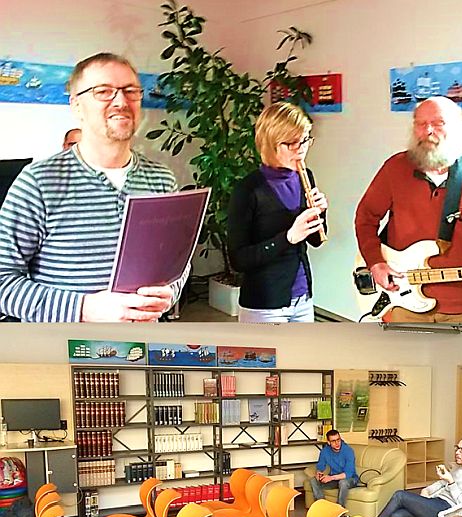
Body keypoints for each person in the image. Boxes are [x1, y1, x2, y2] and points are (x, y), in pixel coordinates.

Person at [0, 52, 183, 322]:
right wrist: (84, 309)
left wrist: (170, 291)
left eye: (130, 91)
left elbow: (178, 264)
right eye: (103, 91)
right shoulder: (38, 182)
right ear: (76, 106)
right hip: (64, 354)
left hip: (141, 349)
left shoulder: (162, 180)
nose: (121, 101)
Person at [355, 96, 462, 323]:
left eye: (438, 123)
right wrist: (376, 263)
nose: (428, 130)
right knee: (403, 359)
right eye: (420, 123)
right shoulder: (394, 168)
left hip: (461, 302)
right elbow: (365, 218)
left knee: (459, 359)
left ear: (457, 127)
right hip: (402, 298)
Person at [228, 101, 327, 323]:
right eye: (292, 143)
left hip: (303, 297)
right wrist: (288, 238)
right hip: (265, 303)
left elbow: (315, 241)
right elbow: (239, 259)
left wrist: (320, 212)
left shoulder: (306, 177)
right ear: (271, 144)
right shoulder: (248, 189)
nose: (301, 149)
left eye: (305, 140)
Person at [375, 437, 462, 517]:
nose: (457, 452)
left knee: (400, 495)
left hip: (447, 512)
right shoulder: (458, 467)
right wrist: (427, 490)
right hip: (435, 503)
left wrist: (451, 482)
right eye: (457, 448)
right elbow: (441, 483)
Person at [309, 430, 358, 507]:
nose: (337, 443)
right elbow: (320, 466)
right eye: (333, 441)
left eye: (338, 440)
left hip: (350, 479)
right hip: (335, 479)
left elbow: (348, 473)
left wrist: (331, 478)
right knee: (313, 481)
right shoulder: (325, 451)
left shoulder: (348, 451)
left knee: (343, 482)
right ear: (328, 442)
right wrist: (318, 473)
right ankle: (322, 506)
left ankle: (339, 510)